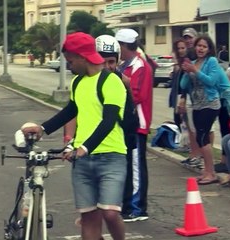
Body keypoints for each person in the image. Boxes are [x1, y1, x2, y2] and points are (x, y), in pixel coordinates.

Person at [22, 32, 128, 240]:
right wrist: (43, 128)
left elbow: (108, 121)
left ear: (82, 57)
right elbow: (71, 110)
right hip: (82, 161)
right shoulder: (78, 82)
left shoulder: (111, 82)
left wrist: (85, 147)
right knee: (89, 217)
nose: (68, 66)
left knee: (110, 212)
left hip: (111, 156)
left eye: (70, 61)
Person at [115, 28, 153, 223]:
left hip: (138, 123)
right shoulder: (125, 66)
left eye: (118, 46)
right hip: (127, 124)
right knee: (128, 167)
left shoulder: (140, 66)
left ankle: (138, 208)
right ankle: (128, 204)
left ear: (123, 46)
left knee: (136, 168)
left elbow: (137, 95)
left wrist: (122, 85)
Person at [180, 35, 221, 185]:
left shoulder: (212, 62)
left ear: (209, 49)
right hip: (196, 104)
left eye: (204, 46)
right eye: (199, 46)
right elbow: (184, 85)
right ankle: (206, 171)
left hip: (210, 103)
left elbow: (211, 81)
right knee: (199, 137)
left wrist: (195, 71)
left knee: (203, 137)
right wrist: (186, 71)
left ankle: (211, 173)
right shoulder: (193, 62)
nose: (200, 49)